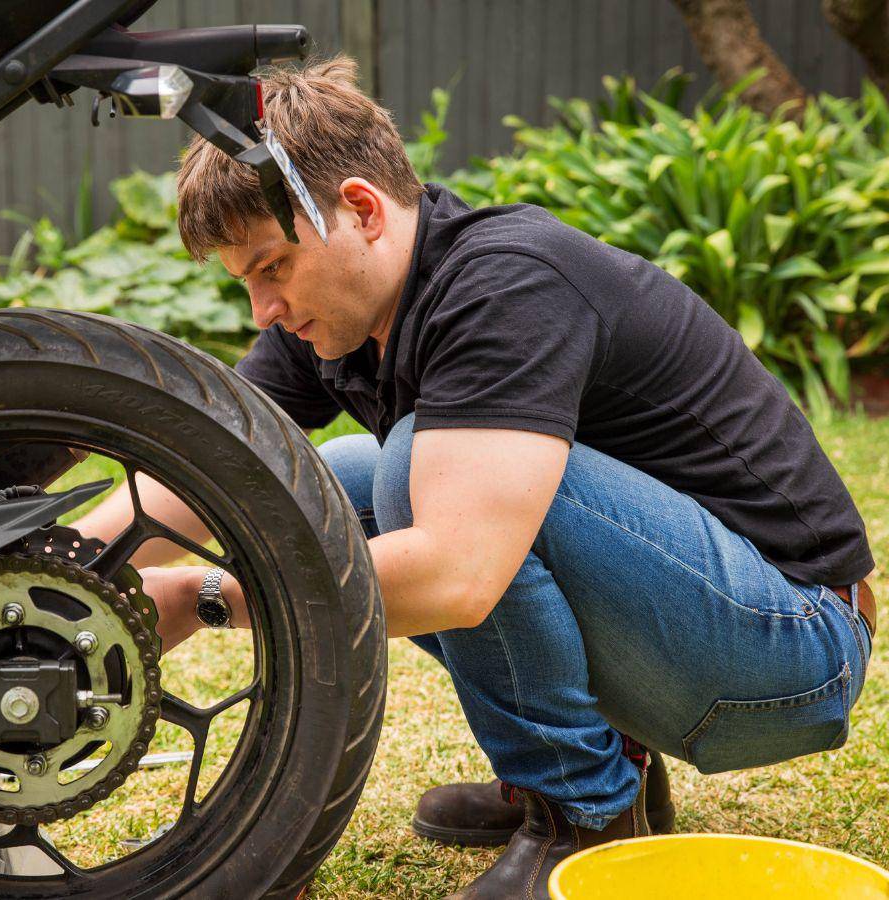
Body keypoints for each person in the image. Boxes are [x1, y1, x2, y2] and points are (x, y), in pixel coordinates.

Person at [72, 56, 876, 899]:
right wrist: (67, 574)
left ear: (361, 209)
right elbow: (212, 463)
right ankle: (604, 768)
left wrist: (205, 596)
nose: (262, 310)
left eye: (272, 267)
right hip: (699, 624)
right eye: (246, 284)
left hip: (792, 649)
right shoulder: (337, 319)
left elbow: (456, 577)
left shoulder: (506, 286)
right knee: (343, 475)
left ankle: (585, 814)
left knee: (416, 470)